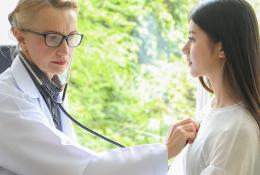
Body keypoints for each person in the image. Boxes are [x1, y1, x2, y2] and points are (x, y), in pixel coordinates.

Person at [0, 0, 199, 175]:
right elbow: (83, 169)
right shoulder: (6, 103)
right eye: (52, 38)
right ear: (21, 38)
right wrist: (165, 150)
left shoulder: (48, 87)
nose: (64, 51)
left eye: (71, 37)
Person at [168, 0, 260, 174]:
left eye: (192, 38)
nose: (184, 48)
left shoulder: (236, 130)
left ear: (222, 48)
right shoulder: (212, 108)